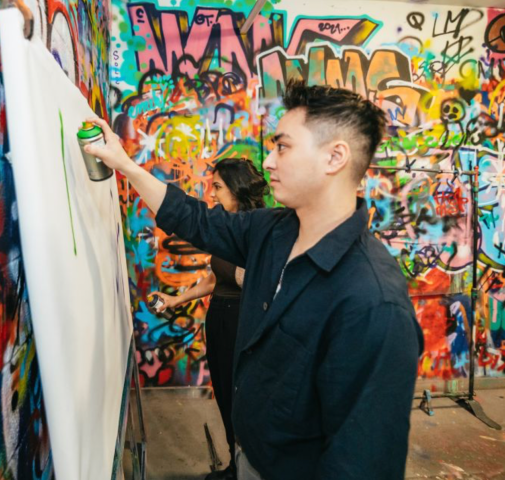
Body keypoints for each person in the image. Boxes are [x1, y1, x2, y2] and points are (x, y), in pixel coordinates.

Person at [86, 82, 424, 480]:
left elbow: (363, 463)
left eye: (282, 147)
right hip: (250, 459)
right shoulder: (273, 230)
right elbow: (196, 219)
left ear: (335, 157)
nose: (267, 162)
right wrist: (125, 164)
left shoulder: (372, 302)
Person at [150, 158, 269, 480]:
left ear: (237, 188)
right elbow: (216, 278)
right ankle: (235, 465)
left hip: (242, 323)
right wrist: (177, 298)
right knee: (226, 396)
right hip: (220, 318)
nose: (211, 194)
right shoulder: (228, 228)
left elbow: (265, 282)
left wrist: (253, 274)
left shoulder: (257, 229)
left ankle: (250, 469)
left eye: (217, 186)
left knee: (243, 400)